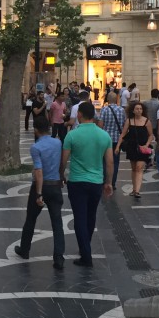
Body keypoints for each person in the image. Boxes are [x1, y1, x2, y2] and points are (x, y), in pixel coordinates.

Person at [61, 101, 113, 267]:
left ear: (80, 115)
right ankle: (86, 247)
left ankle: (86, 254)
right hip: (96, 181)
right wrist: (109, 182)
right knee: (91, 216)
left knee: (79, 218)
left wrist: (61, 174)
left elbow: (64, 159)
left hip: (77, 181)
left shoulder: (72, 135)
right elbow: (110, 162)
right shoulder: (104, 135)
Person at [14, 115, 65, 269]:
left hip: (42, 186)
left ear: (35, 130)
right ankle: (59, 258)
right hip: (56, 186)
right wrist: (62, 177)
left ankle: (25, 249)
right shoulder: (58, 142)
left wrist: (38, 193)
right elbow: (61, 162)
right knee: (57, 223)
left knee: (31, 218)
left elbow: (39, 171)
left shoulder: (36, 147)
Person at [116, 101, 154, 199]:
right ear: (133, 110)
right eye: (137, 109)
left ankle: (137, 191)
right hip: (132, 147)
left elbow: (151, 135)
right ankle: (134, 189)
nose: (139, 110)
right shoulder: (129, 121)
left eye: (140, 109)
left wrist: (146, 145)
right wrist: (117, 147)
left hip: (142, 148)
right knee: (133, 168)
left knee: (139, 168)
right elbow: (123, 135)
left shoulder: (147, 121)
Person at [99, 92, 126, 189]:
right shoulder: (122, 110)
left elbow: (101, 125)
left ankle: (104, 181)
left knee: (104, 161)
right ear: (116, 99)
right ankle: (112, 182)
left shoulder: (104, 109)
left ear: (108, 99)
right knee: (115, 161)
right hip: (117, 140)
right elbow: (124, 125)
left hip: (105, 139)